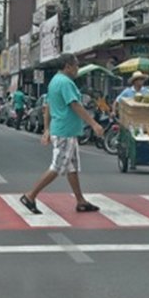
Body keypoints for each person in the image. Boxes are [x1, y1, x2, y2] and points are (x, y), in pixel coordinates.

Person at [20, 53, 104, 215]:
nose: (77, 69)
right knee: (57, 167)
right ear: (68, 66)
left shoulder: (54, 82)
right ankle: (30, 196)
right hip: (64, 131)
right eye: (76, 65)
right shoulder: (66, 83)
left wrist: (46, 128)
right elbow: (75, 104)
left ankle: (80, 201)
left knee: (72, 167)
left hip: (64, 130)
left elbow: (49, 106)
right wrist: (93, 124)